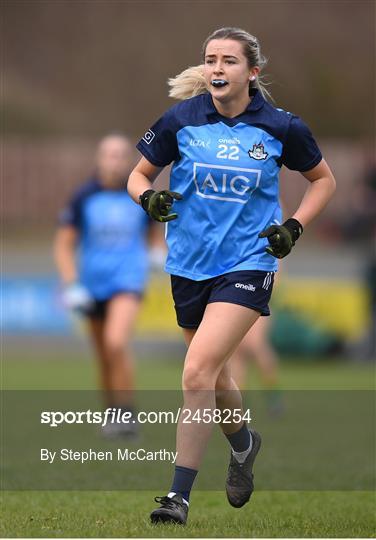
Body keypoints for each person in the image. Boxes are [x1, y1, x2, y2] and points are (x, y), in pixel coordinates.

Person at [127, 27, 336, 524]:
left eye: (228, 61)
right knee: (216, 377)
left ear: (252, 72)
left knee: (196, 372)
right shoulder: (180, 120)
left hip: (248, 264)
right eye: (210, 60)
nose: (216, 69)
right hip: (187, 266)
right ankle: (243, 444)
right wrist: (148, 199)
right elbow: (137, 176)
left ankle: (177, 498)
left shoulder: (283, 127)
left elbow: (324, 181)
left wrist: (293, 227)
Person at [54, 133, 164, 437]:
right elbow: (64, 245)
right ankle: (113, 413)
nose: (115, 160)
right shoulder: (83, 197)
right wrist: (71, 284)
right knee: (103, 354)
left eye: (120, 155)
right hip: (91, 285)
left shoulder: (139, 194)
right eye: (109, 154)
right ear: (99, 159)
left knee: (117, 342)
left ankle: (128, 414)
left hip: (127, 280)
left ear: (129, 160)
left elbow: (155, 233)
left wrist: (157, 254)